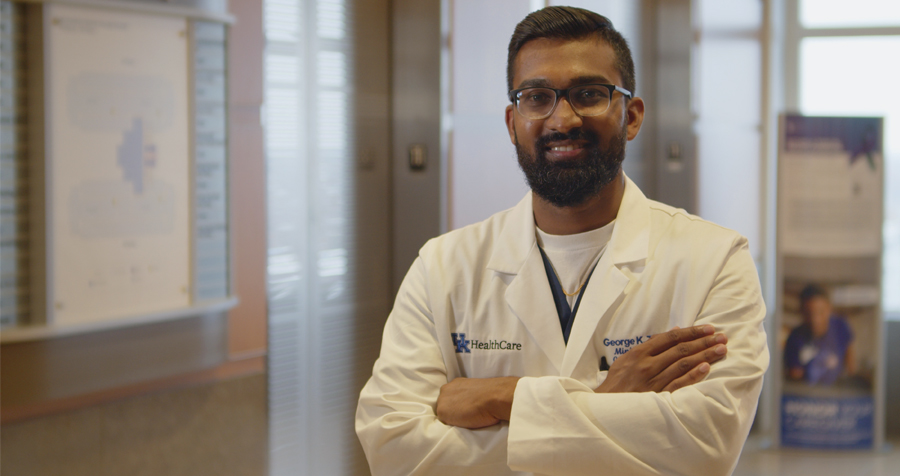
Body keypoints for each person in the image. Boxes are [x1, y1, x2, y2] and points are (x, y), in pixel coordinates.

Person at [356, 6, 769, 476]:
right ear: (513, 123)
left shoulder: (714, 260)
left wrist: (503, 396)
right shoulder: (443, 266)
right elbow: (393, 446)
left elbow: (704, 446)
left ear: (631, 116)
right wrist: (606, 402)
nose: (563, 118)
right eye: (537, 97)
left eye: (589, 94)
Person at [784, 284, 856, 386]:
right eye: (809, 313)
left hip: (837, 395)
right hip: (806, 398)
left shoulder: (841, 327)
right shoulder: (795, 337)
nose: (815, 320)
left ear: (829, 309)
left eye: (820, 312)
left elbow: (850, 365)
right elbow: (795, 376)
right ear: (801, 312)